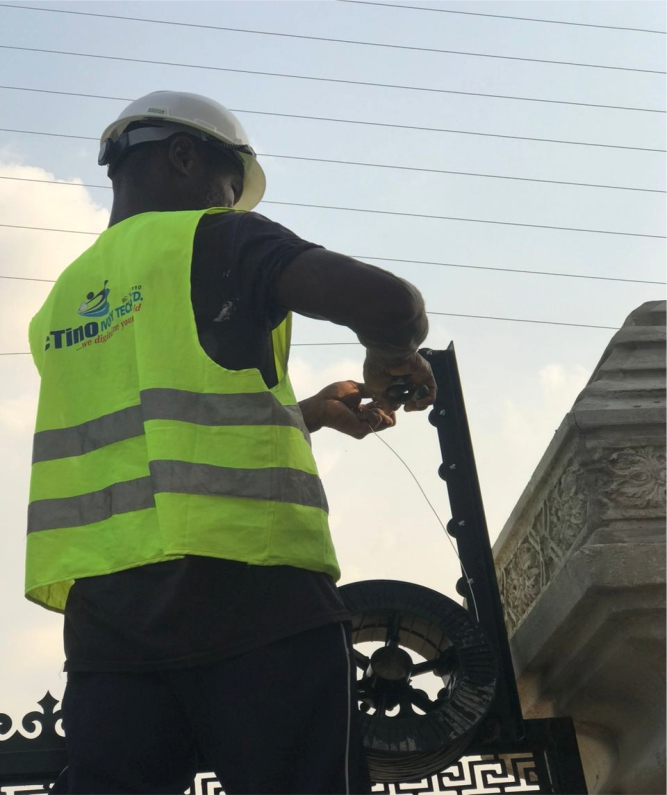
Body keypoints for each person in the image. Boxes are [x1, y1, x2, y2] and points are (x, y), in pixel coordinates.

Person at [26, 91, 436, 795]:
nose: (231, 204)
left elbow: (153, 439)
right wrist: (390, 352)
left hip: (110, 624)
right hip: (254, 595)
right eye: (230, 186)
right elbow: (390, 303)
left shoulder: (62, 301)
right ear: (185, 157)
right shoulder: (216, 237)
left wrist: (304, 414)